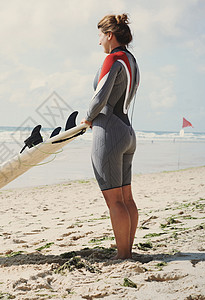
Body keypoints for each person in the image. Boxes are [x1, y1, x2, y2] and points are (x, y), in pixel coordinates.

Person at [81, 13, 140, 259]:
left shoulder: (113, 58)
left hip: (110, 133)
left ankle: (123, 255)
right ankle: (127, 250)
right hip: (127, 131)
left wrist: (88, 117)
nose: (99, 42)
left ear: (109, 35)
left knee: (114, 200)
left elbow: (100, 97)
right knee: (126, 197)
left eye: (100, 36)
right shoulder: (132, 60)